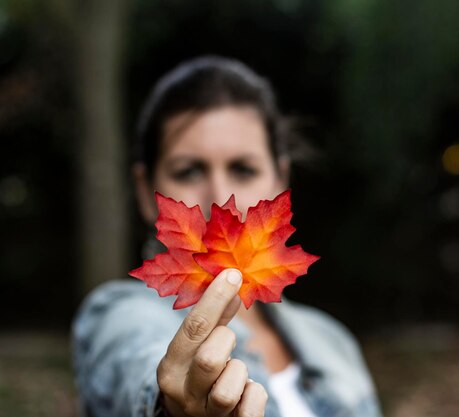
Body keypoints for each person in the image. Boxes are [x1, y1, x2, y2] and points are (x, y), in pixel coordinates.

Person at [72, 56, 383, 417]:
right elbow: (137, 360)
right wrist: (171, 404)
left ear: (280, 181)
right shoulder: (120, 315)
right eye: (188, 171)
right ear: (146, 192)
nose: (220, 199)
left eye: (243, 170)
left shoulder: (332, 340)